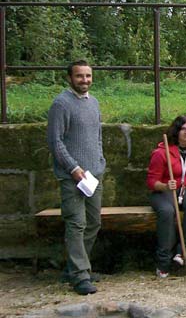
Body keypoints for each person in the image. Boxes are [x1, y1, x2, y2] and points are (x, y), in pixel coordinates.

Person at [47, 60, 106, 295]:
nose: (85, 80)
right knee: (76, 223)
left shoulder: (94, 103)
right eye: (80, 76)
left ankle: (75, 267)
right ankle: (80, 276)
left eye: (88, 76)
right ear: (69, 78)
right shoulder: (61, 104)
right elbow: (55, 141)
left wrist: (100, 162)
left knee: (93, 222)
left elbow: (97, 136)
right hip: (72, 176)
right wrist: (73, 168)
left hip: (94, 175)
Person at [146, 115, 186, 278]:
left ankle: (183, 253)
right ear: (176, 131)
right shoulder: (161, 152)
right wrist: (164, 186)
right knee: (167, 212)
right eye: (183, 129)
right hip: (164, 190)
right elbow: (151, 182)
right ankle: (163, 261)